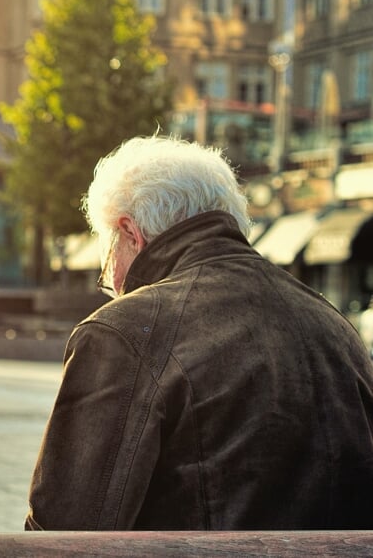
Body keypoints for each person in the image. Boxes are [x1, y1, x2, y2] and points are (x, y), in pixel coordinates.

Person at [25, 135, 373, 531]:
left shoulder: (124, 332)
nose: (113, 284)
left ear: (130, 234)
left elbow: (65, 531)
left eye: (107, 263)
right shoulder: (333, 324)